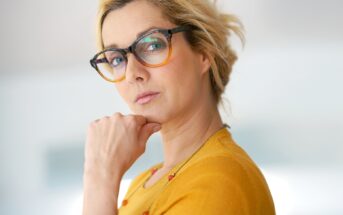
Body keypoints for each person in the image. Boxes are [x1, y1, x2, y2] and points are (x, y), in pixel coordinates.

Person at [83, 0, 276, 214]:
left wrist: (99, 178)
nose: (131, 74)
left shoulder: (219, 178)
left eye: (152, 45)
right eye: (117, 59)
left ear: (203, 53)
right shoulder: (143, 182)